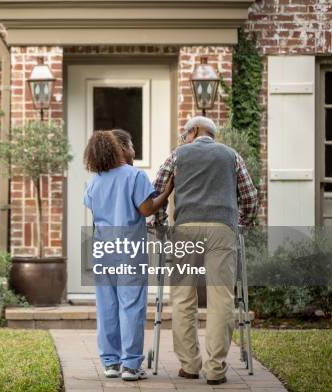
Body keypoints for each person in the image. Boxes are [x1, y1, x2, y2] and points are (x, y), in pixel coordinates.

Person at [152, 116, 258, 385]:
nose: (184, 139)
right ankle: (216, 369)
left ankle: (189, 365)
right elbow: (250, 196)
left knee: (183, 297)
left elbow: (157, 189)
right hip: (222, 229)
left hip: (186, 228)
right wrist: (242, 224)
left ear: (196, 131)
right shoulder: (231, 155)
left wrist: (160, 222)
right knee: (220, 298)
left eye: (185, 134)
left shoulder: (177, 155)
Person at [83, 130, 173, 381]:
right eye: (132, 145)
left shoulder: (95, 180)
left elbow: (93, 207)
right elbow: (146, 209)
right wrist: (167, 191)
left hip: (103, 251)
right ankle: (131, 366)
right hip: (128, 251)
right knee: (131, 306)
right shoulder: (134, 175)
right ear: (121, 148)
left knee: (107, 307)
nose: (133, 151)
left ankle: (110, 363)